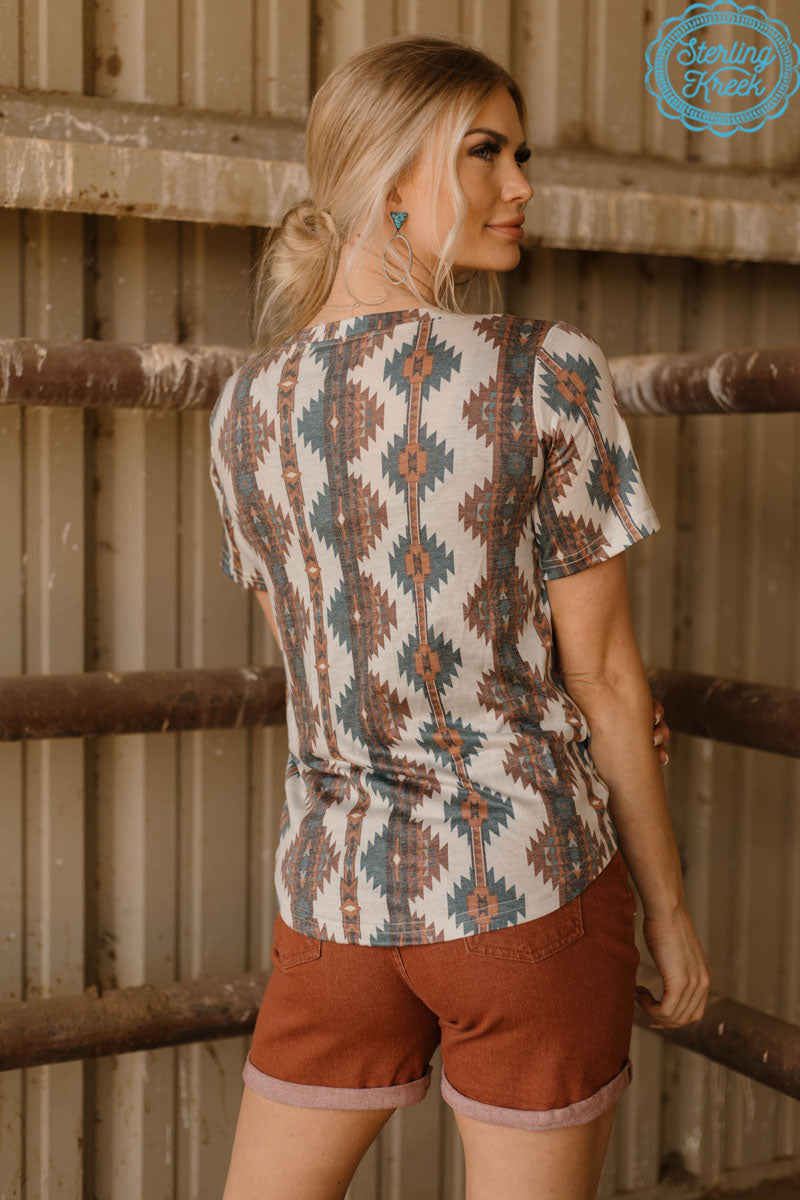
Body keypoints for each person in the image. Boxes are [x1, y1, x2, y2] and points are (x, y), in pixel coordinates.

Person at [210, 32, 711, 1200]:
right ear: (388, 175)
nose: (520, 185)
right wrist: (669, 913)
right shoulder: (545, 372)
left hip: (334, 906)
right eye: (485, 152)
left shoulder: (247, 406)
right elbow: (603, 683)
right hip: (524, 895)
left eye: (520, 155)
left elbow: (330, 662)